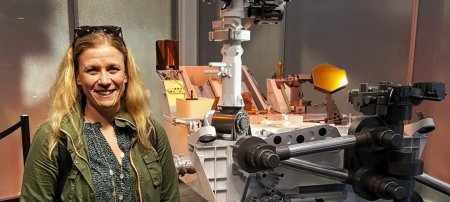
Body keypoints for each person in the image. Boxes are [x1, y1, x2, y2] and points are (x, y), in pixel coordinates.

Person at [21, 25, 180, 202]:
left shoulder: (150, 131)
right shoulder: (53, 138)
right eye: (92, 70)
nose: (105, 80)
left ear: (126, 74)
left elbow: (170, 198)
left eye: (113, 69)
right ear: (77, 77)